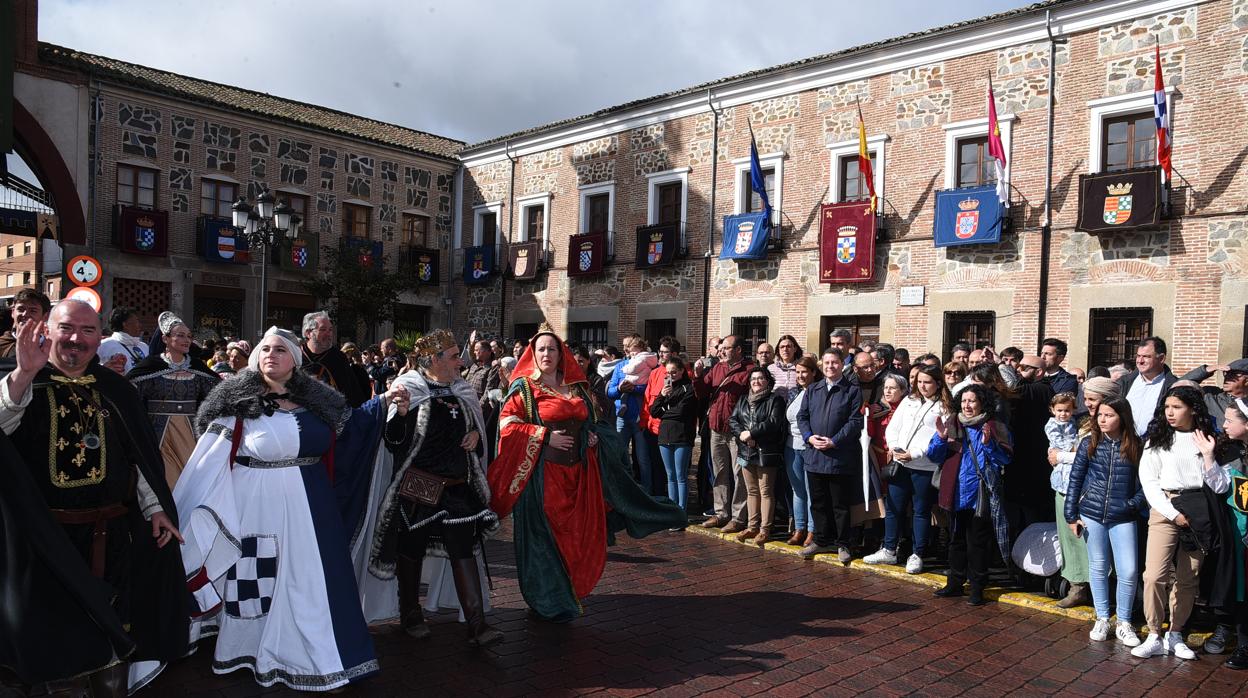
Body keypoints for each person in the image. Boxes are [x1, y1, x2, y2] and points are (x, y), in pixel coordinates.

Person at [174, 327, 406, 691]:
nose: (271, 354)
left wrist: (387, 402)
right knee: (254, 579)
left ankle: (313, 654)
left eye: (280, 349)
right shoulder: (234, 406)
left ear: (295, 360)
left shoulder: (321, 404)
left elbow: (353, 432)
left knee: (311, 582)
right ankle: (248, 649)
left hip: (313, 513)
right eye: (265, 348)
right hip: (255, 509)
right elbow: (207, 465)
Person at [1, 300, 188, 693]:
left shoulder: (117, 388)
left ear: (100, 337)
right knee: (58, 642)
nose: (76, 339)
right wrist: (22, 374)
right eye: (67, 328)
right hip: (46, 542)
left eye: (88, 331)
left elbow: (138, 457)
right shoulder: (22, 382)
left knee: (114, 636)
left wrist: (155, 509)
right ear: (47, 331)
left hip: (112, 538)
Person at [486, 328, 685, 621]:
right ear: (532, 354)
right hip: (543, 477)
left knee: (576, 536)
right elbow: (507, 425)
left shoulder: (577, 387)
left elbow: (597, 422)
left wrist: (593, 436)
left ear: (561, 354)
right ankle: (548, 598)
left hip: (579, 475)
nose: (546, 355)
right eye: (540, 350)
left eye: (551, 350)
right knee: (546, 537)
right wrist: (543, 436)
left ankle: (568, 589)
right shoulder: (524, 388)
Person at [371, 329, 502, 647]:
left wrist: (473, 436)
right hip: (419, 486)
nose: (462, 361)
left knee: (462, 549)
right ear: (434, 359)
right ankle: (411, 614)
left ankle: (477, 624)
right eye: (455, 356)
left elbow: (475, 437)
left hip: (457, 487)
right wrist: (400, 416)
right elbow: (393, 441)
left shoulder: (462, 390)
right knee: (411, 549)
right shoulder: (410, 388)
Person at [1132, 386, 1231, 660]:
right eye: (1167, 408)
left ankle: (1175, 634)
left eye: (1177, 407)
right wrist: (1172, 513)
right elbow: (1149, 482)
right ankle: (1153, 633)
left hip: (1199, 509)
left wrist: (1209, 455)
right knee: (1154, 574)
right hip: (1165, 507)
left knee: (1189, 578)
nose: (1170, 413)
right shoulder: (1156, 439)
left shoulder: (1207, 438)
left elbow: (1221, 487)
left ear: (1192, 409)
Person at [1064, 397, 1145, 647]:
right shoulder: (1090, 442)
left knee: (1129, 570)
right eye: (1099, 415)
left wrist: (1131, 505)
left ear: (1122, 417)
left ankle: (1124, 621)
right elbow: (1075, 480)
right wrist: (1071, 515)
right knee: (1098, 567)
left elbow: (1146, 485)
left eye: (1109, 415)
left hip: (1124, 516)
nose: (1102, 419)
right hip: (1091, 514)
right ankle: (1101, 618)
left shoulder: (1136, 445)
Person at [927, 384, 1012, 606]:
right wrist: (940, 438)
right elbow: (935, 456)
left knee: (977, 544)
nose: (967, 405)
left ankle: (976, 587)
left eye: (972, 401)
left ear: (982, 403)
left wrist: (989, 445)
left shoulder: (994, 426)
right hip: (954, 493)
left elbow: (1004, 460)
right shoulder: (952, 424)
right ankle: (954, 582)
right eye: (964, 401)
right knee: (955, 541)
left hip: (980, 496)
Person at [871, 364, 950, 574]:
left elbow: (939, 438)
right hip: (900, 462)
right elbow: (894, 426)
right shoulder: (909, 400)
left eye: (928, 382)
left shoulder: (944, 406)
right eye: (920, 382)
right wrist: (896, 448)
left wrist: (914, 453)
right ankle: (889, 549)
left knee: (921, 511)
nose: (923, 386)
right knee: (894, 508)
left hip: (923, 466)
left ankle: (918, 554)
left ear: (938, 383)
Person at [128, 312, 221, 490]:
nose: (186, 340)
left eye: (189, 336)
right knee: (162, 478)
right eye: (180, 335)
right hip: (157, 434)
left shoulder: (197, 368)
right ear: (165, 339)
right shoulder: (150, 366)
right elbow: (130, 396)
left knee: (191, 476)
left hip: (190, 432)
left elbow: (217, 396)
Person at [797, 347, 864, 564]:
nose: (830, 367)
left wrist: (834, 441)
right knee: (818, 502)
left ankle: (843, 543)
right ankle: (821, 540)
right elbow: (802, 416)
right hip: (815, 455)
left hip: (839, 456)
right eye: (826, 363)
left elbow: (855, 422)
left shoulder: (852, 390)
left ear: (842, 364)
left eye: (834, 363)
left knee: (840, 504)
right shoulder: (813, 389)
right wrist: (809, 437)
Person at [693, 335, 755, 531]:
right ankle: (721, 513)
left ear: (738, 350)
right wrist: (698, 375)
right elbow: (702, 392)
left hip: (737, 431)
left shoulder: (749, 370)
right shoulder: (717, 368)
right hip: (716, 428)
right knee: (719, 472)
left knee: (739, 474)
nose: (721, 351)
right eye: (721, 348)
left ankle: (738, 517)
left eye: (726, 348)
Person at [729, 367, 788, 545]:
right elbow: (733, 420)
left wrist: (752, 434)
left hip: (765, 452)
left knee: (765, 491)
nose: (756, 381)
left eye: (760, 378)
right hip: (746, 450)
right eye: (753, 379)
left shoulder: (774, 399)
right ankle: (752, 526)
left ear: (767, 381)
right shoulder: (743, 399)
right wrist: (742, 435)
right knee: (751, 490)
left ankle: (764, 529)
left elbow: (773, 423)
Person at [1211, 399, 1248, 669]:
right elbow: (1222, 485)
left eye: (1230, 420)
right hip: (1236, 529)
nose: (1224, 424)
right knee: (1240, 589)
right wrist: (1209, 457)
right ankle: (1243, 645)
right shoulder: (1231, 450)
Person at [608, 335, 661, 493]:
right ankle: (621, 491)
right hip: (622, 418)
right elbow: (610, 392)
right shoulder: (620, 367)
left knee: (643, 458)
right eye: (624, 346)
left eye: (628, 346)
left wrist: (635, 389)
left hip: (641, 417)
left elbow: (651, 389)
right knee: (620, 455)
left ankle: (647, 492)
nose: (625, 349)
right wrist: (619, 389)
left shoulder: (648, 365)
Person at [650, 355, 698, 518]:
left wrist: (665, 411)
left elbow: (682, 411)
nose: (670, 376)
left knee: (680, 475)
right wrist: (662, 395)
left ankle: (681, 512)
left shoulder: (689, 388)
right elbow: (654, 411)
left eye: (674, 372)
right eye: (668, 373)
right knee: (670, 476)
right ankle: (672, 512)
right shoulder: (666, 388)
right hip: (664, 436)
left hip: (682, 436)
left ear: (682, 371)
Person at [783, 356, 819, 546]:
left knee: (810, 490)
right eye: (797, 372)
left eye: (804, 371)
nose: (800, 376)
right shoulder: (794, 392)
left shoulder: (818, 392)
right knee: (797, 490)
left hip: (809, 447)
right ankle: (799, 528)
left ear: (813, 372)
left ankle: (812, 531)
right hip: (791, 446)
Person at [643, 337, 684, 498]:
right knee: (655, 467)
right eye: (660, 351)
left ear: (674, 354)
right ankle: (657, 499)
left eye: (665, 352)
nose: (660, 354)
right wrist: (644, 422)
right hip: (652, 428)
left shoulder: (683, 374)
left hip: (672, 430)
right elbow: (647, 400)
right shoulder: (655, 373)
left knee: (674, 471)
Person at [300, 311, 369, 407]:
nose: (329, 334)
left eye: (330, 330)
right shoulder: (296, 356)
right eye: (323, 329)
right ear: (308, 333)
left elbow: (352, 395)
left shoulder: (338, 358)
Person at [1120, 337, 1178, 437]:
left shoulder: (1172, 386)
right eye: (1138, 356)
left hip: (1155, 446)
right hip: (1124, 445)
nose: (1140, 361)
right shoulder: (1124, 382)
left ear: (1161, 358)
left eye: (1146, 356)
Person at [0, 288, 51, 361]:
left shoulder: (51, 348)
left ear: (45, 316)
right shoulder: (2, 345)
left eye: (33, 311)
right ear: (13, 312)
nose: (25, 314)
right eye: (21, 309)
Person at [96, 306, 148, 374]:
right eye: (136, 321)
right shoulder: (103, 346)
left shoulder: (144, 347)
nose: (139, 325)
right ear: (125, 324)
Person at [770, 334, 803, 399]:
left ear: (795, 349)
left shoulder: (801, 367)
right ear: (778, 350)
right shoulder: (770, 369)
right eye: (782, 347)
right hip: (776, 406)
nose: (785, 349)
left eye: (788, 346)